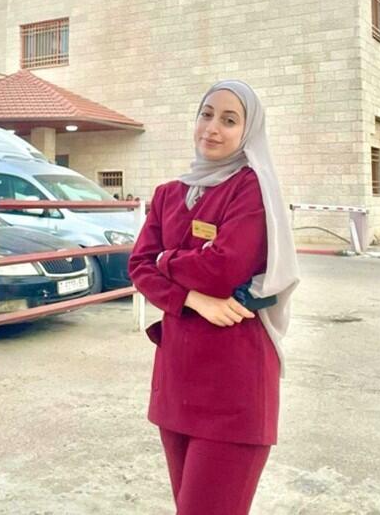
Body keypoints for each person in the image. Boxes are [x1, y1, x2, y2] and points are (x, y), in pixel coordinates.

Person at [128, 80, 299, 515]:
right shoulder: (168, 194)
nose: (213, 128)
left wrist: (165, 259)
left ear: (249, 131)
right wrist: (191, 298)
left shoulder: (251, 189)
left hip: (233, 384)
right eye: (206, 114)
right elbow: (138, 267)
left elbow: (224, 267)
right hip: (176, 380)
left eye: (229, 120)